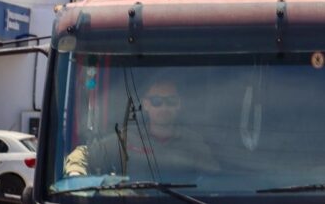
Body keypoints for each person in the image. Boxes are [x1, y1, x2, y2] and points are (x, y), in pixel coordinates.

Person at [64, 75, 219, 178]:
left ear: (179, 104)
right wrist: (76, 174)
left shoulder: (194, 142)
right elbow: (82, 154)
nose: (164, 107)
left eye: (171, 101)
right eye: (156, 102)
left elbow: (214, 178)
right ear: (145, 104)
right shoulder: (127, 139)